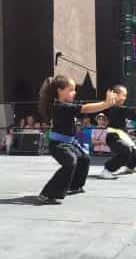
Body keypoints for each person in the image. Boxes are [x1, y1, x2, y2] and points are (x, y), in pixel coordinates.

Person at [37, 75, 116, 204]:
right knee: (70, 162)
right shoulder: (60, 106)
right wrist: (105, 104)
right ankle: (47, 193)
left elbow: (83, 109)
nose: (75, 92)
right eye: (71, 89)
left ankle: (74, 186)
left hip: (68, 143)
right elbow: (85, 108)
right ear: (60, 91)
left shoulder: (66, 105)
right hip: (58, 145)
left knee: (84, 158)